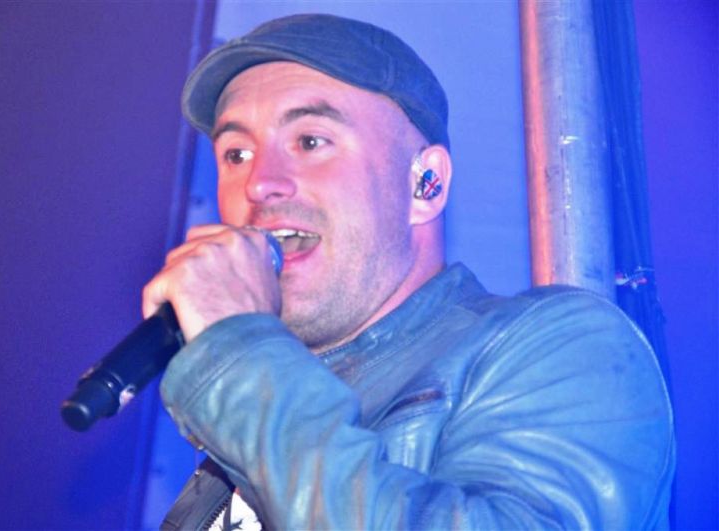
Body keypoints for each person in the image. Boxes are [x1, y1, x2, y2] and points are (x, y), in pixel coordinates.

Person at [142, 14, 674, 530]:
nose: (259, 183)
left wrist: (238, 362)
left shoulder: (564, 346)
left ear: (426, 184)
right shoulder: (265, 416)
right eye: (236, 154)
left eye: (309, 141)